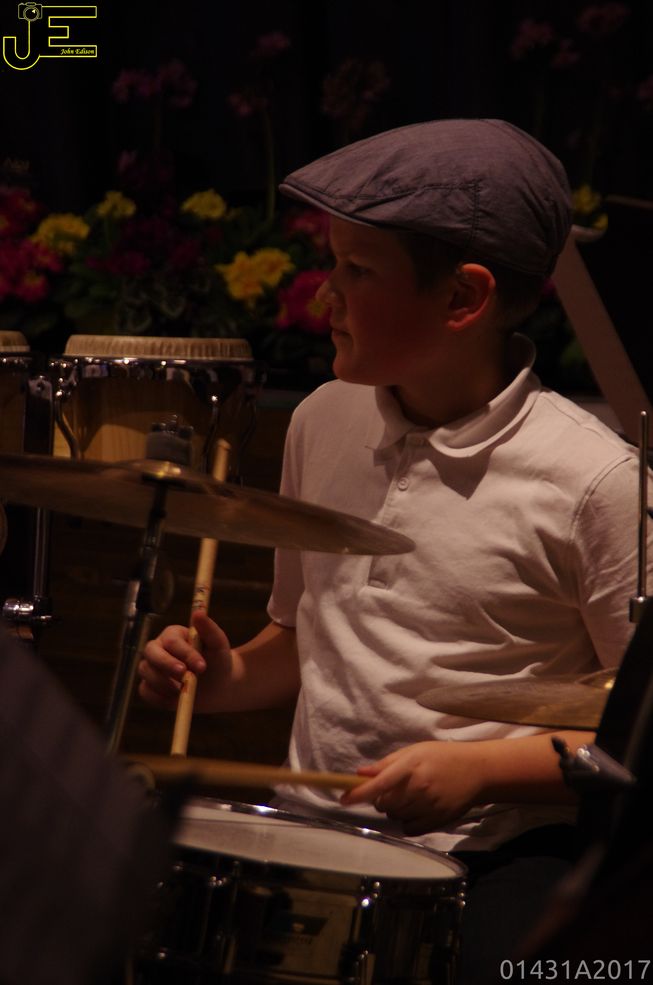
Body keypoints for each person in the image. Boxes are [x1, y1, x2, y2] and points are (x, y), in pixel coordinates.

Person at [138, 119, 648, 982]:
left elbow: (633, 733)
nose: (323, 296)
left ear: (462, 299)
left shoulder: (595, 481)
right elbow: (306, 636)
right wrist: (222, 679)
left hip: (489, 849)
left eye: (357, 270)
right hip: (308, 822)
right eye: (331, 263)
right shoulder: (322, 419)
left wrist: (479, 769)